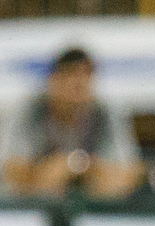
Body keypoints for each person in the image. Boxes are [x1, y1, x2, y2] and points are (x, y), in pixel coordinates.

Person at [1, 46, 143, 199]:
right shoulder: (30, 110)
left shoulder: (105, 112)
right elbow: (11, 172)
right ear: (53, 79)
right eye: (71, 74)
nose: (79, 83)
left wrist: (76, 166)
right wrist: (48, 174)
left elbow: (129, 174)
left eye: (86, 76)